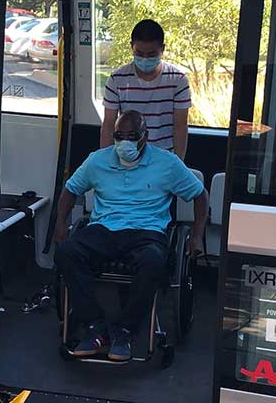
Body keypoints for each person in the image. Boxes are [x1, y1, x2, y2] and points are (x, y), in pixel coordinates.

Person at [55, 110, 208, 361]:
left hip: (147, 230)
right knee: (66, 252)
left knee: (154, 262)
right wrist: (61, 224)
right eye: (119, 136)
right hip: (104, 227)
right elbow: (70, 190)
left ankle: (125, 330)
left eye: (131, 136)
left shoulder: (166, 163)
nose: (124, 142)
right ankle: (96, 326)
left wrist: (197, 235)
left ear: (144, 137)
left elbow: (200, 195)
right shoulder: (98, 160)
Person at [100, 19, 191, 159]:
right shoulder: (116, 79)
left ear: (163, 49)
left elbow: (180, 127)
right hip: (128, 157)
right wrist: (105, 163)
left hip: (163, 159)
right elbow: (108, 126)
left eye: (151, 54)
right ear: (132, 47)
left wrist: (178, 165)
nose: (145, 59)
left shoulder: (178, 80)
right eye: (140, 53)